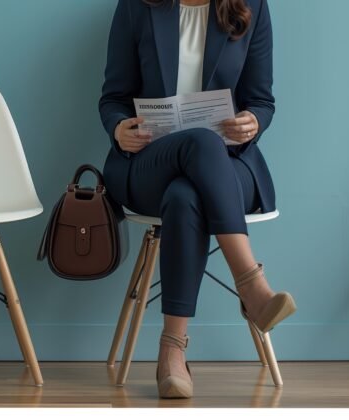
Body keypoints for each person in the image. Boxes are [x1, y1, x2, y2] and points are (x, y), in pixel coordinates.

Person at [99, 0, 296, 399]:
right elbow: (112, 97)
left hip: (227, 167)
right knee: (197, 148)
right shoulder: (138, 7)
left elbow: (262, 99)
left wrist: (253, 122)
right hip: (148, 162)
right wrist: (118, 128)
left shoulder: (250, 5)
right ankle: (251, 284)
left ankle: (172, 351)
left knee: (185, 195)